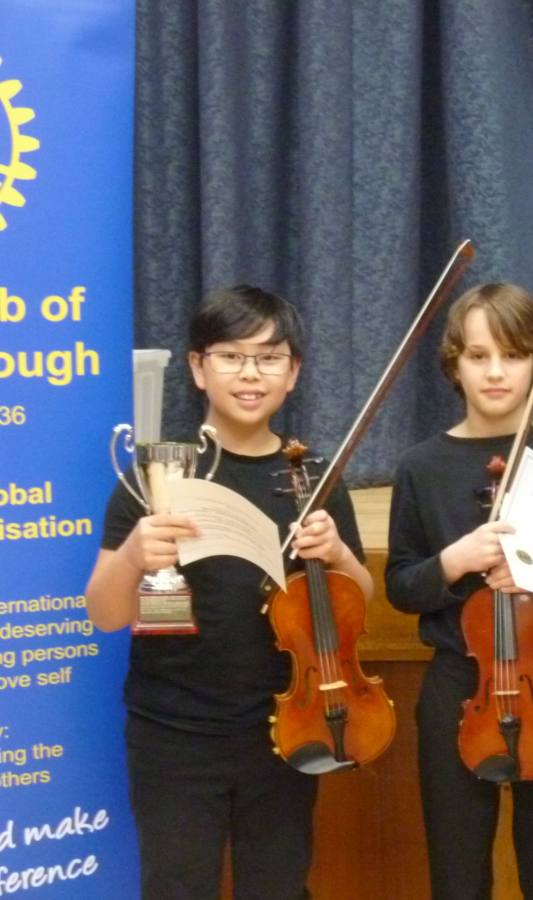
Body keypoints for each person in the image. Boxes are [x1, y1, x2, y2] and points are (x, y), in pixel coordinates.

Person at [85, 285, 371, 899]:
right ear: (197, 367)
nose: (250, 373)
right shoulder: (153, 475)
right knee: (177, 888)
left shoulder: (313, 477)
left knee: (278, 888)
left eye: (269, 358)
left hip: (285, 725)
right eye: (231, 356)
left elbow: (361, 600)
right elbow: (103, 613)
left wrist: (340, 554)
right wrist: (134, 554)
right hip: (173, 734)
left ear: (293, 373)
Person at [385, 282, 533, 900]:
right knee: (457, 872)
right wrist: (454, 561)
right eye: (478, 355)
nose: (496, 372)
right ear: (453, 364)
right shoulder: (420, 466)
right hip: (457, 687)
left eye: (514, 355)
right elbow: (401, 587)